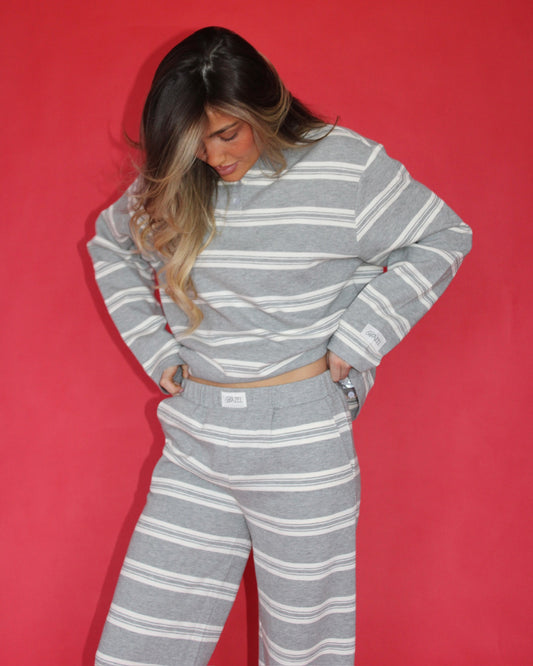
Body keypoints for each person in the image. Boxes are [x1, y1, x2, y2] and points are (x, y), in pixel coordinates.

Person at [88, 26, 472, 666]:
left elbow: (444, 236)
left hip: (300, 443)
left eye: (226, 133)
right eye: (194, 140)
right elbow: (111, 245)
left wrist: (360, 337)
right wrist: (158, 352)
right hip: (196, 439)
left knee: (304, 654)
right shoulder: (180, 178)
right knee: (138, 650)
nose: (213, 156)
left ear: (264, 105)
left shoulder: (344, 166)